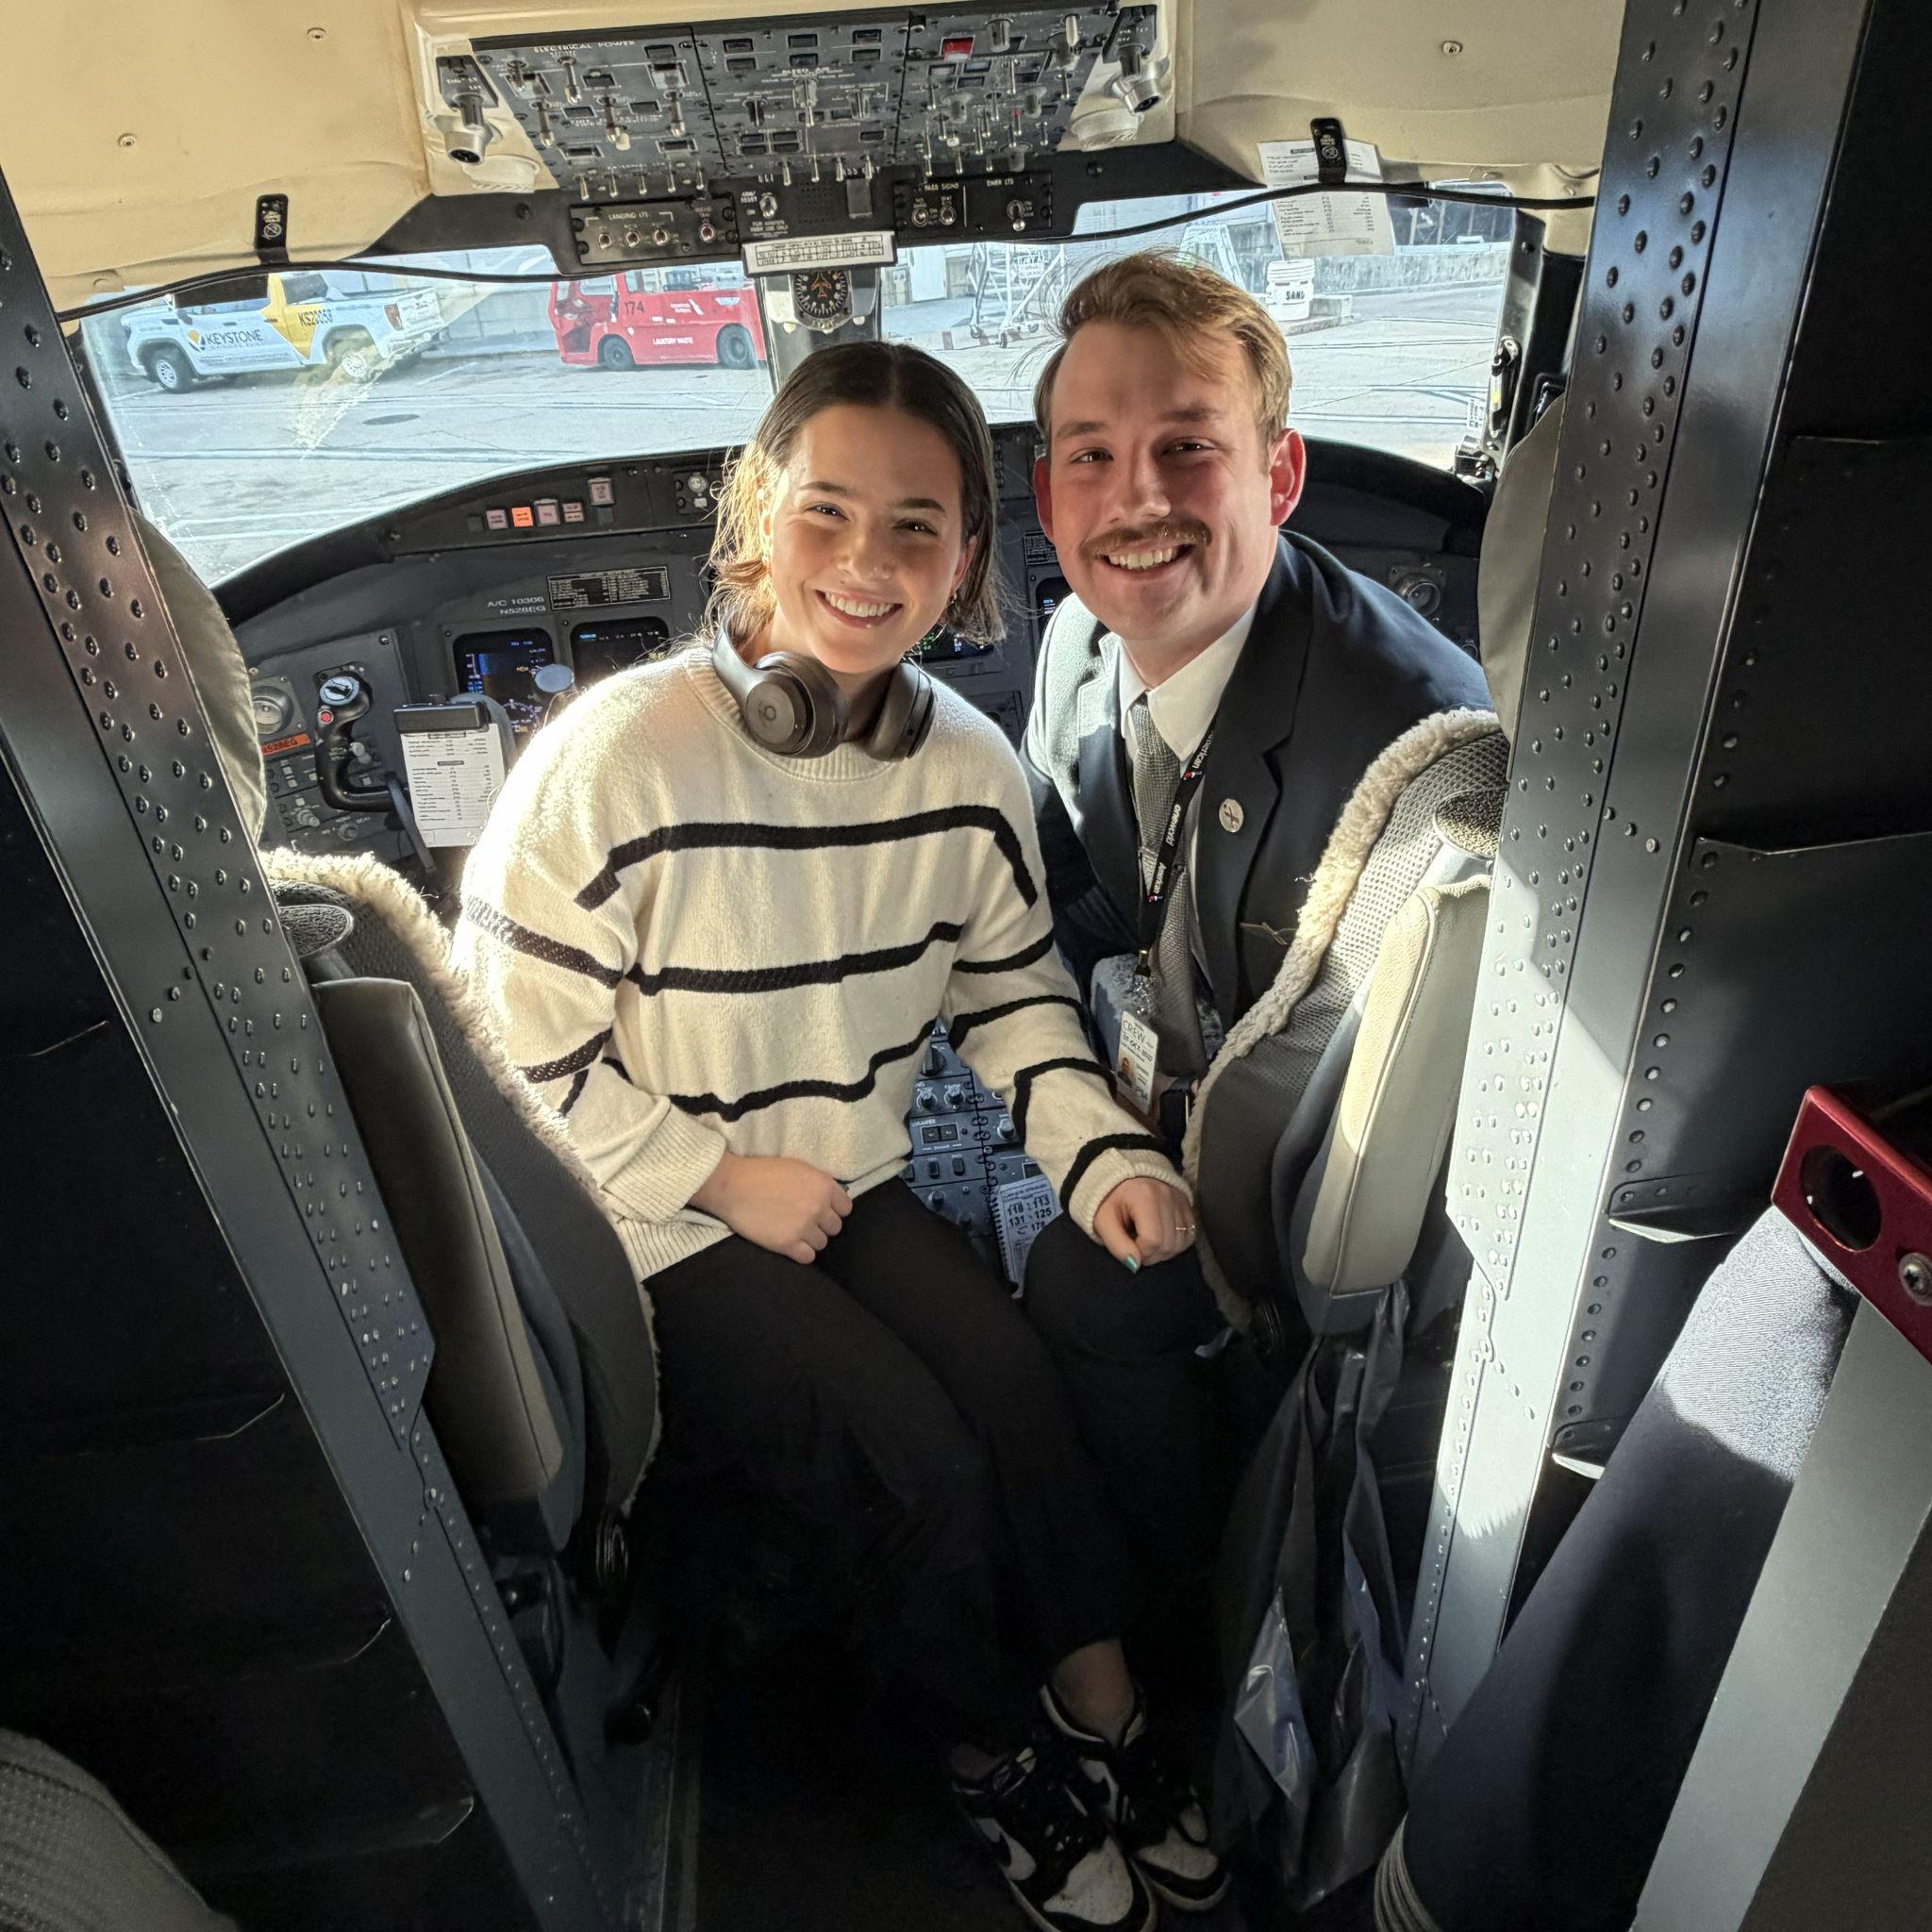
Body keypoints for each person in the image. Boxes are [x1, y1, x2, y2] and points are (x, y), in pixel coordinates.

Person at [454, 341, 1225, 1931]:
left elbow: (1013, 1000)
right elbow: (512, 1059)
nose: (866, 562)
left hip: (840, 1181)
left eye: (916, 527)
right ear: (757, 513)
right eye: (827, 512)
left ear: (967, 559)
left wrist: (1106, 1160)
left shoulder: (966, 769)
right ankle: (989, 1750)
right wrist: (717, 1178)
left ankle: (1099, 1701)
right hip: (650, 1219)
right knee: (913, 1459)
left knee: (1014, 1381)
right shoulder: (618, 751)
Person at [1017, 253, 1494, 1599]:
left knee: (1075, 1290)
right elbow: (1070, 894)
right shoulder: (1078, 650)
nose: (1138, 500)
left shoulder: (1405, 754)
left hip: (1285, 1183)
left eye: (1188, 447)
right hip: (1162, 1068)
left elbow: (1368, 1150)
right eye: (1093, 456)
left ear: (1278, 476)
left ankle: (1182, 1610)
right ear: (1049, 497)